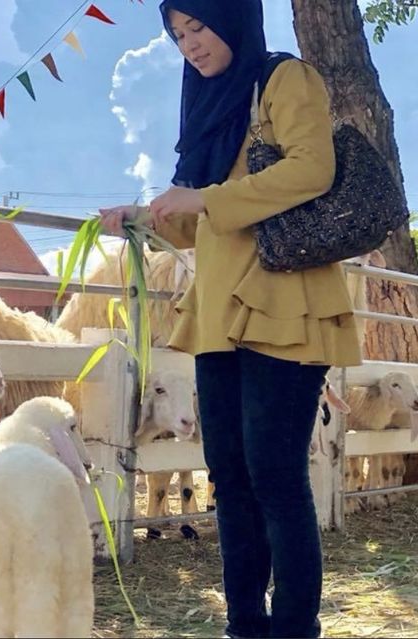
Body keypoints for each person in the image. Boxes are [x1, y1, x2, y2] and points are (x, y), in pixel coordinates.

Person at [99, 1, 362, 638]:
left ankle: (295, 627)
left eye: (199, 26)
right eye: (177, 34)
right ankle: (244, 624)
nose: (189, 43)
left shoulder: (284, 79)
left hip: (288, 306)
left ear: (233, 17)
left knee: (275, 474)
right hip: (218, 313)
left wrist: (205, 198)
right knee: (231, 476)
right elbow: (194, 225)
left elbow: (312, 168)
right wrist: (145, 216)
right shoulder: (205, 103)